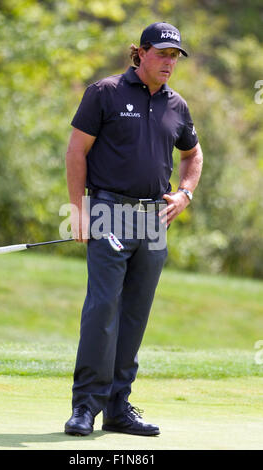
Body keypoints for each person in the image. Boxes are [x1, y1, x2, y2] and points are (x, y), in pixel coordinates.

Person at [64, 21, 203, 436]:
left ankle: (117, 407)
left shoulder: (177, 105)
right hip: (108, 210)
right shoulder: (104, 92)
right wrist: (78, 211)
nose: (169, 62)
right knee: (103, 309)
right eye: (162, 53)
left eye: (175, 56)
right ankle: (85, 407)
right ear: (139, 53)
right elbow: (76, 151)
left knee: (135, 314)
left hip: (154, 219)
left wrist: (185, 195)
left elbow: (193, 156)